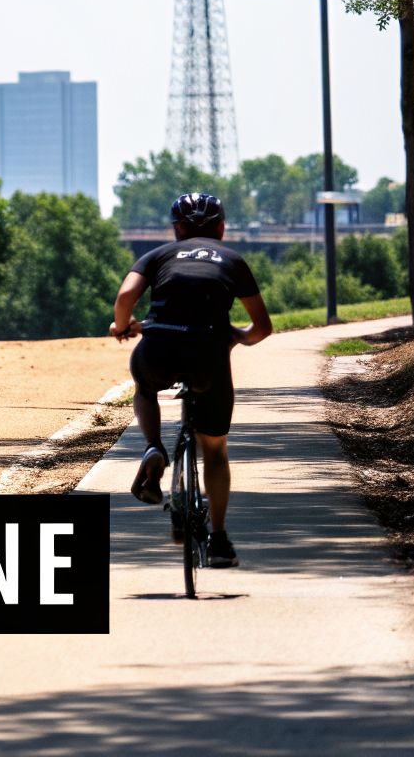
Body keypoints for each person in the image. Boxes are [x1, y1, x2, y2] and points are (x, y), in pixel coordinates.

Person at [107, 192, 273, 568]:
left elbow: (124, 296)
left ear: (177, 229)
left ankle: (152, 447)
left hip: (159, 347)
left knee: (146, 386)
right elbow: (262, 328)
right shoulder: (232, 260)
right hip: (208, 355)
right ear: (222, 228)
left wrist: (122, 326)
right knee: (214, 450)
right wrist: (237, 336)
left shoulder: (157, 256)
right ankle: (218, 539)